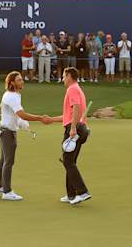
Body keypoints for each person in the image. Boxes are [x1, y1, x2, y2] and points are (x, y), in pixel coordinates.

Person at [0, 71, 53, 201]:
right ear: (12, 82)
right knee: (9, 161)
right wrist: (40, 118)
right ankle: (7, 192)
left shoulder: (13, 94)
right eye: (19, 80)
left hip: (5, 130)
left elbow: (3, 108)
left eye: (21, 79)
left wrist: (18, 121)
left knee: (4, 159)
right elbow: (22, 114)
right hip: (7, 133)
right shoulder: (12, 96)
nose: (22, 81)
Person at [49, 67, 91, 205]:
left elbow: (77, 108)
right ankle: (71, 194)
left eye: (63, 76)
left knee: (68, 161)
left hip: (74, 129)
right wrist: (51, 119)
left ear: (69, 76)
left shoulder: (72, 89)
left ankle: (82, 192)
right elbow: (69, 115)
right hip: (80, 128)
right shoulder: (77, 88)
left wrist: (72, 128)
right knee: (70, 162)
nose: (62, 79)